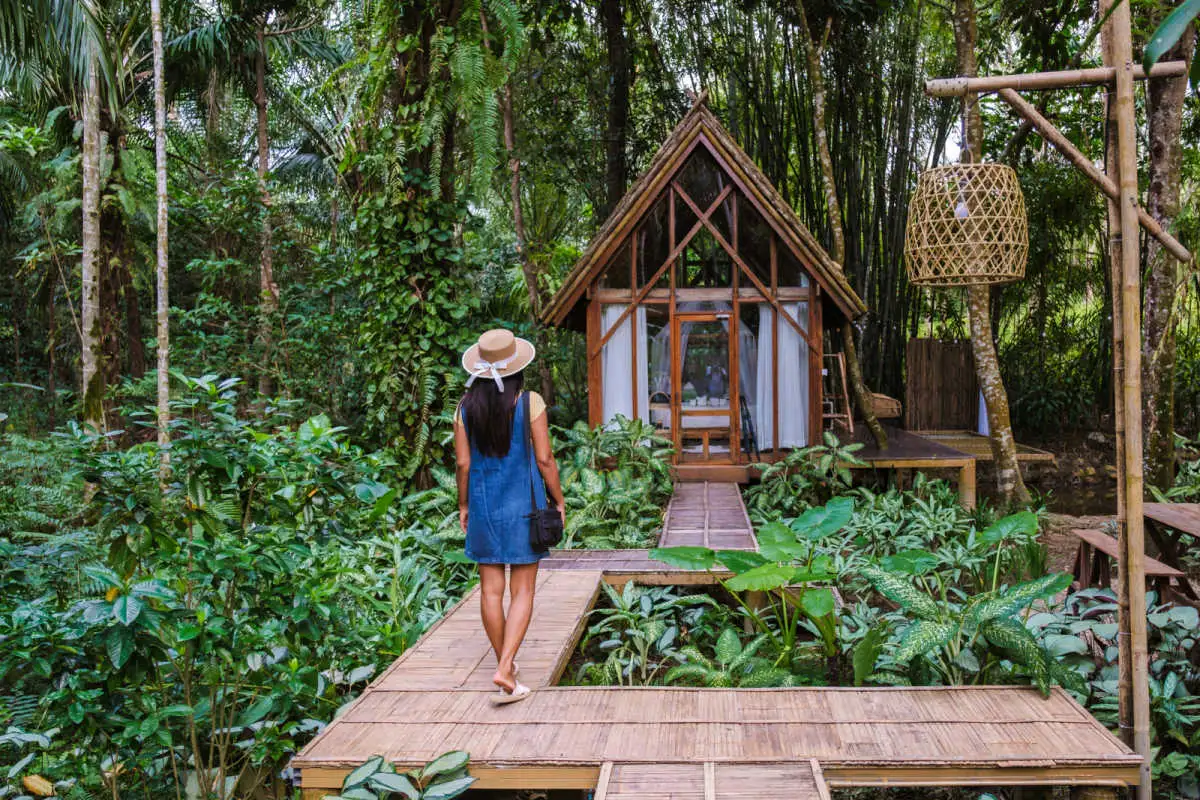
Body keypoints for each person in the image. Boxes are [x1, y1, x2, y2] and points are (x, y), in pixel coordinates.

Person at [454, 329, 565, 705]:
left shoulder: (464, 408)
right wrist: (559, 500)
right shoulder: (530, 402)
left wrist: (464, 505)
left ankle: (508, 668)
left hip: (484, 507)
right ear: (517, 366)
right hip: (524, 508)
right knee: (523, 591)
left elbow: (463, 463)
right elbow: (545, 459)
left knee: (490, 591)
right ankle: (505, 667)